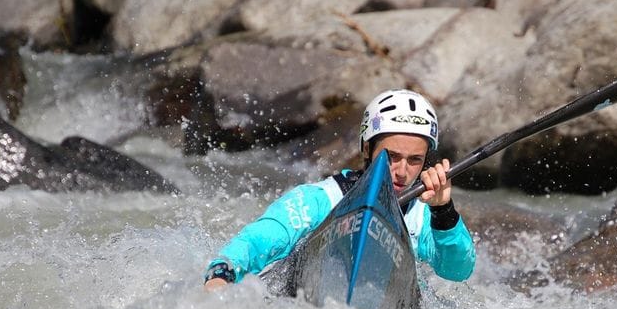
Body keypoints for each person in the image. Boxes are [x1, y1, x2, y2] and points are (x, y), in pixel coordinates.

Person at [204, 89, 476, 289]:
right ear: (367, 149)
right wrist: (222, 273)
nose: (403, 171)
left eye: (415, 160)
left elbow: (458, 270)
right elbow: (259, 239)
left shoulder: (424, 215)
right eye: (391, 156)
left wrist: (444, 211)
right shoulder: (319, 199)